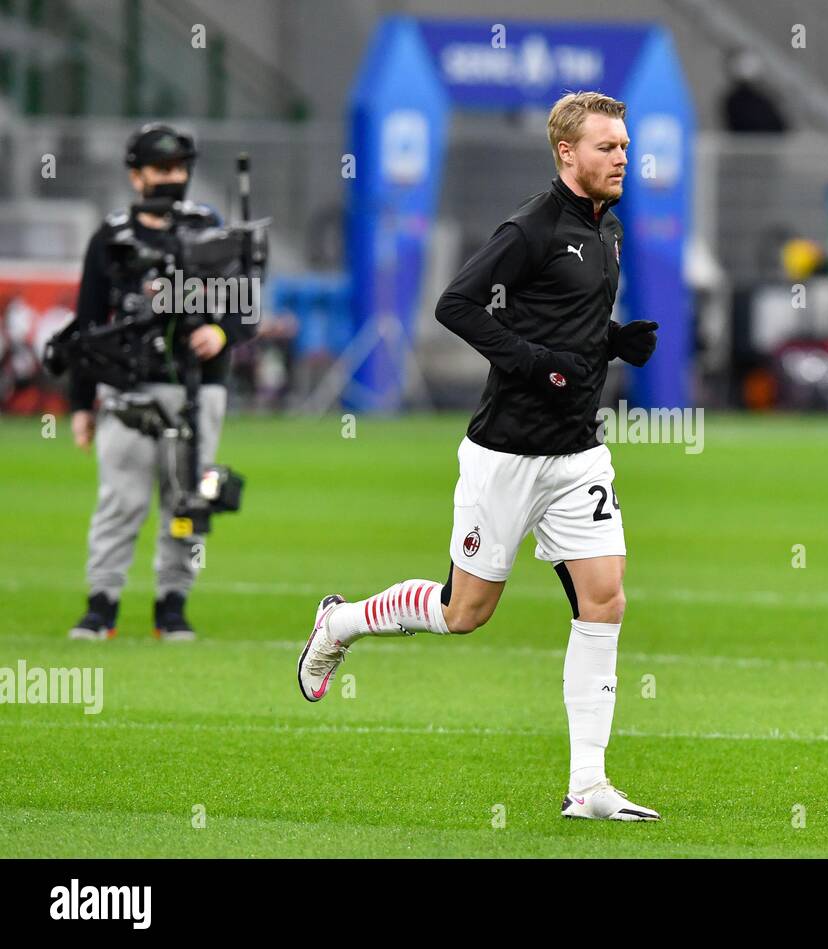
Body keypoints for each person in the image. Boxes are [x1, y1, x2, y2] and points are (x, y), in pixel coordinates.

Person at [297, 91, 663, 822]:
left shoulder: (609, 230)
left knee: (606, 597)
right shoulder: (530, 227)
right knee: (465, 612)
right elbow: (456, 304)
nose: (621, 157)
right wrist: (535, 363)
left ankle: (587, 785)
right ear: (567, 153)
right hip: (505, 453)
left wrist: (611, 340)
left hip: (579, 454)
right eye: (606, 147)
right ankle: (341, 623)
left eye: (624, 145)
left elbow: (567, 316)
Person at [67, 123, 253, 641]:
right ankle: (101, 604)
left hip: (201, 386)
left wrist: (220, 330)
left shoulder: (209, 228)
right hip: (127, 385)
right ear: (136, 175)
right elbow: (87, 323)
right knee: (120, 498)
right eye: (161, 169)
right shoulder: (111, 237)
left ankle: (173, 605)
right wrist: (81, 403)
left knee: (188, 500)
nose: (172, 179)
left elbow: (248, 303)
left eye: (179, 169)